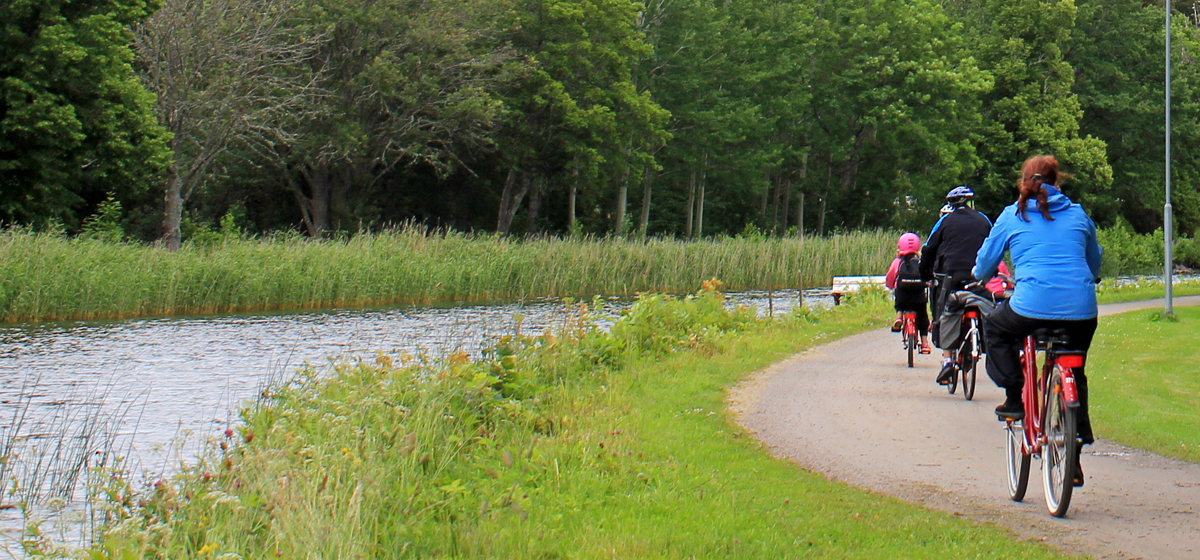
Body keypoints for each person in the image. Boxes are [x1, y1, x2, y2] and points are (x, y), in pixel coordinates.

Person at [973, 154, 1102, 488]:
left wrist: (977, 276)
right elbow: (1094, 259)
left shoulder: (1011, 215)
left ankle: (1015, 396)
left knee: (996, 327)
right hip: (1081, 309)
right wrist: (1093, 278)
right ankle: (1076, 441)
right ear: (1057, 181)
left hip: (1029, 306)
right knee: (1075, 366)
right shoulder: (1077, 214)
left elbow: (988, 260)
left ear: (1023, 181)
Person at [920, 186, 993, 385]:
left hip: (953, 276)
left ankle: (947, 361)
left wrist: (924, 273)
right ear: (971, 202)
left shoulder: (945, 221)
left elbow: (928, 249)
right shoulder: (984, 220)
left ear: (952, 204)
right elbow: (993, 246)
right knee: (989, 307)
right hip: (978, 277)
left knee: (947, 312)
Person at [885, 232, 932, 354]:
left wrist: (890, 285)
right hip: (918, 294)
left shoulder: (898, 261)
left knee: (899, 302)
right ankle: (925, 342)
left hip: (903, 293)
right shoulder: (920, 261)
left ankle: (899, 316)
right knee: (922, 316)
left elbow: (891, 276)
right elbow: (928, 275)